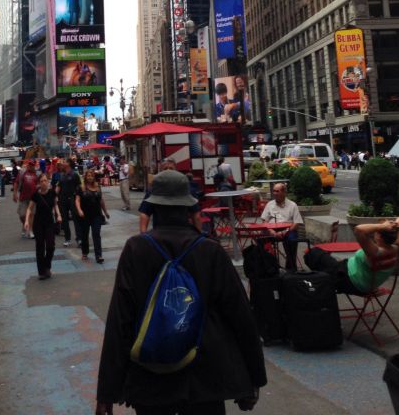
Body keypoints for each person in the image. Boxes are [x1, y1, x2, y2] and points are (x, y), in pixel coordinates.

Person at [96, 170, 266, 415]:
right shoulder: (211, 251)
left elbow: (119, 321)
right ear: (189, 208)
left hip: (150, 378)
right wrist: (253, 379)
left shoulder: (136, 249)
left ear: (153, 208)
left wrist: (107, 392)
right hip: (206, 376)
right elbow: (241, 317)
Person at [306, 217, 399, 295]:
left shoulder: (375, 252)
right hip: (361, 281)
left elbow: (359, 230)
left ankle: (319, 289)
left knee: (312, 253)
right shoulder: (396, 248)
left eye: (376, 232)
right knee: (325, 261)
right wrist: (397, 223)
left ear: (379, 236)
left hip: (348, 280)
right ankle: (322, 283)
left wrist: (383, 226)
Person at [139, 160, 203, 233]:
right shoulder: (186, 190)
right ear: (160, 171)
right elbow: (145, 214)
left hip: (163, 234)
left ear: (176, 171)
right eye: (165, 169)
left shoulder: (153, 190)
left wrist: (143, 236)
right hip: (179, 234)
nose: (168, 171)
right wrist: (198, 234)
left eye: (171, 169)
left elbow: (196, 215)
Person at [24, 172, 61, 280]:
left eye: (46, 180)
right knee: (40, 247)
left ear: (48, 181)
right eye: (42, 181)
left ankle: (47, 265)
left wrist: (58, 215)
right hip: (38, 223)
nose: (44, 183)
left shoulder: (52, 192)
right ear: (39, 183)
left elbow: (55, 205)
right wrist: (26, 221)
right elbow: (29, 209)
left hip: (49, 222)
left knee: (50, 246)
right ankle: (42, 272)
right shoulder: (36, 194)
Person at [260, 182, 304, 271]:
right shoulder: (270, 204)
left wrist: (285, 231)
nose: (275, 193)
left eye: (277, 191)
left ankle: (290, 268)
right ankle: (269, 267)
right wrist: (272, 231)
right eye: (274, 191)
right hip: (271, 229)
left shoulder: (292, 205)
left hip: (288, 230)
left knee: (292, 239)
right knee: (261, 240)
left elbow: (297, 222)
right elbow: (264, 221)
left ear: (284, 193)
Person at [75, 169, 110, 263]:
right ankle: (85, 252)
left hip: (96, 215)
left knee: (96, 234)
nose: (90, 177)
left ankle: (98, 255)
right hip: (85, 215)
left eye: (91, 176)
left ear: (93, 177)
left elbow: (101, 200)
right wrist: (79, 210)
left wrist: (106, 212)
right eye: (88, 176)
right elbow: (77, 200)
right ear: (85, 177)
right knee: (84, 235)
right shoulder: (81, 187)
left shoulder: (98, 186)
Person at [56, 157, 82, 247]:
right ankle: (67, 239)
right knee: (65, 220)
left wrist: (78, 197)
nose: (63, 163)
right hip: (63, 199)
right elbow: (58, 187)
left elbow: (79, 186)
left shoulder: (74, 174)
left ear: (69, 164)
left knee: (76, 219)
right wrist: (53, 195)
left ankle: (79, 239)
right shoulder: (62, 175)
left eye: (64, 162)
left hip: (73, 199)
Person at [13, 158, 39, 238]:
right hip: (23, 197)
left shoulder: (37, 174)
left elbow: (40, 184)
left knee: (31, 215)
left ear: (34, 166)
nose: (30, 166)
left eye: (32, 165)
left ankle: (30, 231)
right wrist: (15, 193)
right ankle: (25, 224)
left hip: (33, 198)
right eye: (29, 165)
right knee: (22, 215)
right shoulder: (22, 172)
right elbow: (16, 183)